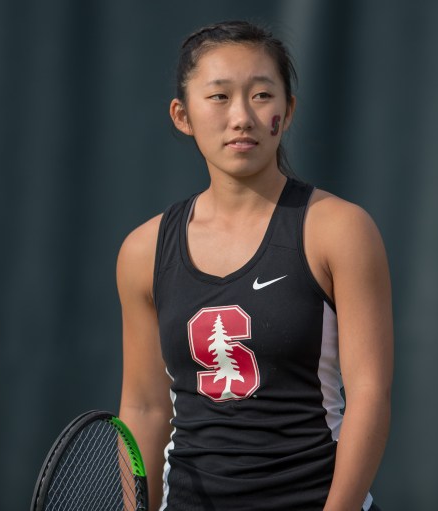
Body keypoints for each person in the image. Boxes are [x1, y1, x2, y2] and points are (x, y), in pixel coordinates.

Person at [117, 20, 393, 511]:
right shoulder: (143, 250)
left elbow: (369, 394)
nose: (241, 116)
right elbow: (144, 406)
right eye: (219, 97)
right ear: (182, 115)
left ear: (287, 113)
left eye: (262, 95)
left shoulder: (339, 229)